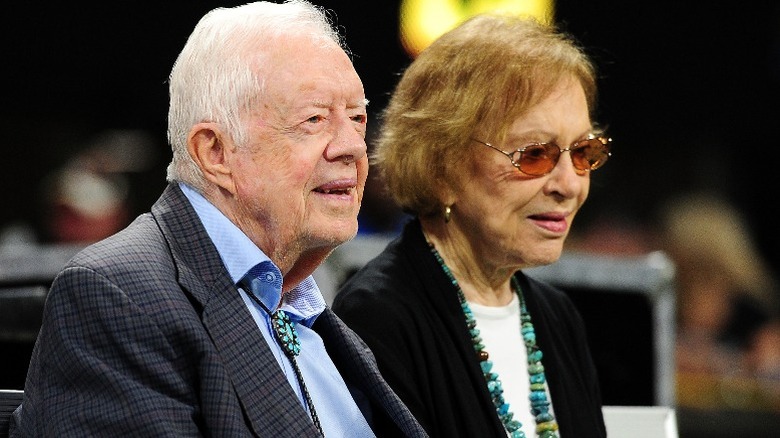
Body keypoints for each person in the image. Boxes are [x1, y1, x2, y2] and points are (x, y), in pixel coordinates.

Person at [10, 1, 427, 437]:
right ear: (215, 153)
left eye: (357, 118)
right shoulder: (117, 297)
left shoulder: (304, 303)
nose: (353, 148)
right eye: (315, 119)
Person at [332, 13, 610, 438]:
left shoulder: (556, 318)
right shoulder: (377, 320)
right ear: (442, 169)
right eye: (535, 154)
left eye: (583, 152)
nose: (569, 185)